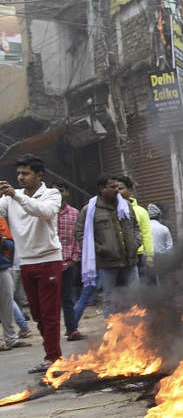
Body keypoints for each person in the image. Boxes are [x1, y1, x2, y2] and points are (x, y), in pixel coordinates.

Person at [0, 155, 63, 373]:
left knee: (49, 314)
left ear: (39, 174)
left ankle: (54, 358)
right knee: (37, 314)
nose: (20, 178)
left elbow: (43, 212)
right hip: (25, 263)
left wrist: (16, 198)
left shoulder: (51, 194)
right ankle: (52, 355)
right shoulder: (11, 197)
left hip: (48, 261)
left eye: (25, 173)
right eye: (18, 173)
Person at [75, 176, 142, 319]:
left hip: (130, 261)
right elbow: (80, 234)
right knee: (110, 300)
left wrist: (136, 242)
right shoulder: (90, 210)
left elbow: (136, 226)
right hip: (107, 264)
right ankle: (112, 334)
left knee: (134, 298)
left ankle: (136, 331)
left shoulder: (125, 205)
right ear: (102, 189)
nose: (117, 190)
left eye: (118, 187)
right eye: (112, 187)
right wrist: (99, 249)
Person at [54, 182, 83, 341]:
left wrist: (74, 258)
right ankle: (51, 335)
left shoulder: (74, 213)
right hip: (49, 263)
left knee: (68, 299)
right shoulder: (45, 212)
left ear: (67, 193)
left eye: (61, 190)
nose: (57, 193)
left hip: (67, 263)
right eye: (54, 190)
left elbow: (77, 238)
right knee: (51, 301)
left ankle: (72, 330)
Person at [115, 176, 153, 279]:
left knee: (138, 287)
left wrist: (149, 257)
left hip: (138, 255)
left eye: (121, 188)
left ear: (130, 190)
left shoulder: (141, 211)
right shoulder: (111, 210)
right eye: (115, 189)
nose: (117, 192)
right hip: (117, 257)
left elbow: (146, 234)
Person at [0, 217, 27, 352]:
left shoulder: (0, 220)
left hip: (2, 267)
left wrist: (2, 242)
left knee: (7, 304)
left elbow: (11, 244)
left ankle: (11, 339)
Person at [146, 204, 173, 284]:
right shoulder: (164, 228)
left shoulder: (143, 229)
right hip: (161, 258)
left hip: (147, 258)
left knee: (149, 282)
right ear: (159, 217)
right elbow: (170, 247)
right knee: (162, 281)